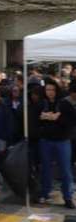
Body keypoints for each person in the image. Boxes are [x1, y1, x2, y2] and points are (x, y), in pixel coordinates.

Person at [36, 80, 75, 208]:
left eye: (52, 90)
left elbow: (72, 121)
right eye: (47, 90)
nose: (50, 92)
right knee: (45, 169)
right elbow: (36, 118)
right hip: (45, 140)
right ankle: (44, 193)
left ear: (57, 90)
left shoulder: (64, 104)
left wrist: (57, 118)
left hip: (62, 141)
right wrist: (44, 118)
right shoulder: (42, 103)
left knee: (65, 170)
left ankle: (68, 197)